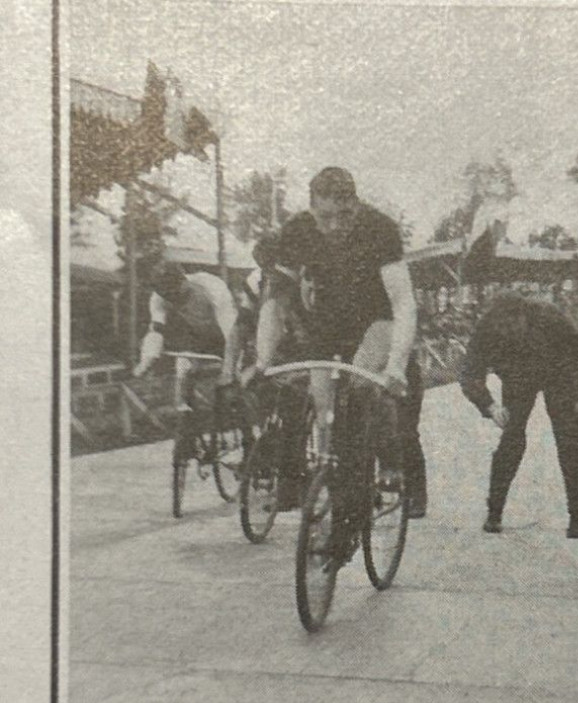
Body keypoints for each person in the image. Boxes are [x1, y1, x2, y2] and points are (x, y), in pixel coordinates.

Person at [256, 167, 427, 517]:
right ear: (311, 209)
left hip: (377, 319)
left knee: (363, 384)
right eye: (325, 217)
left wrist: (395, 366)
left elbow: (403, 303)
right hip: (329, 324)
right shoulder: (297, 230)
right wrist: (262, 360)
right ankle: (338, 485)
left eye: (345, 215)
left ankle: (392, 460)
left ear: (357, 205)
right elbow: (276, 302)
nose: (335, 226)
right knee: (325, 415)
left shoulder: (380, 229)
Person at [460, 292, 578, 539]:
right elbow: (470, 373)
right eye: (503, 327)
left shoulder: (548, 316)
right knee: (512, 439)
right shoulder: (487, 329)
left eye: (514, 324)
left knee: (569, 437)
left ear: (525, 316)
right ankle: (494, 510)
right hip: (517, 377)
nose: (509, 331)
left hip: (558, 373)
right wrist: (490, 406)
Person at [134, 262, 238, 406]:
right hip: (198, 335)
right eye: (168, 296)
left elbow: (231, 330)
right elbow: (157, 330)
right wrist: (146, 359)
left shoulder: (211, 286)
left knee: (234, 375)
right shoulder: (158, 297)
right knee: (182, 371)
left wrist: (230, 366)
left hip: (227, 333)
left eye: (175, 293)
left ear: (184, 280)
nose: (174, 299)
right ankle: (184, 411)